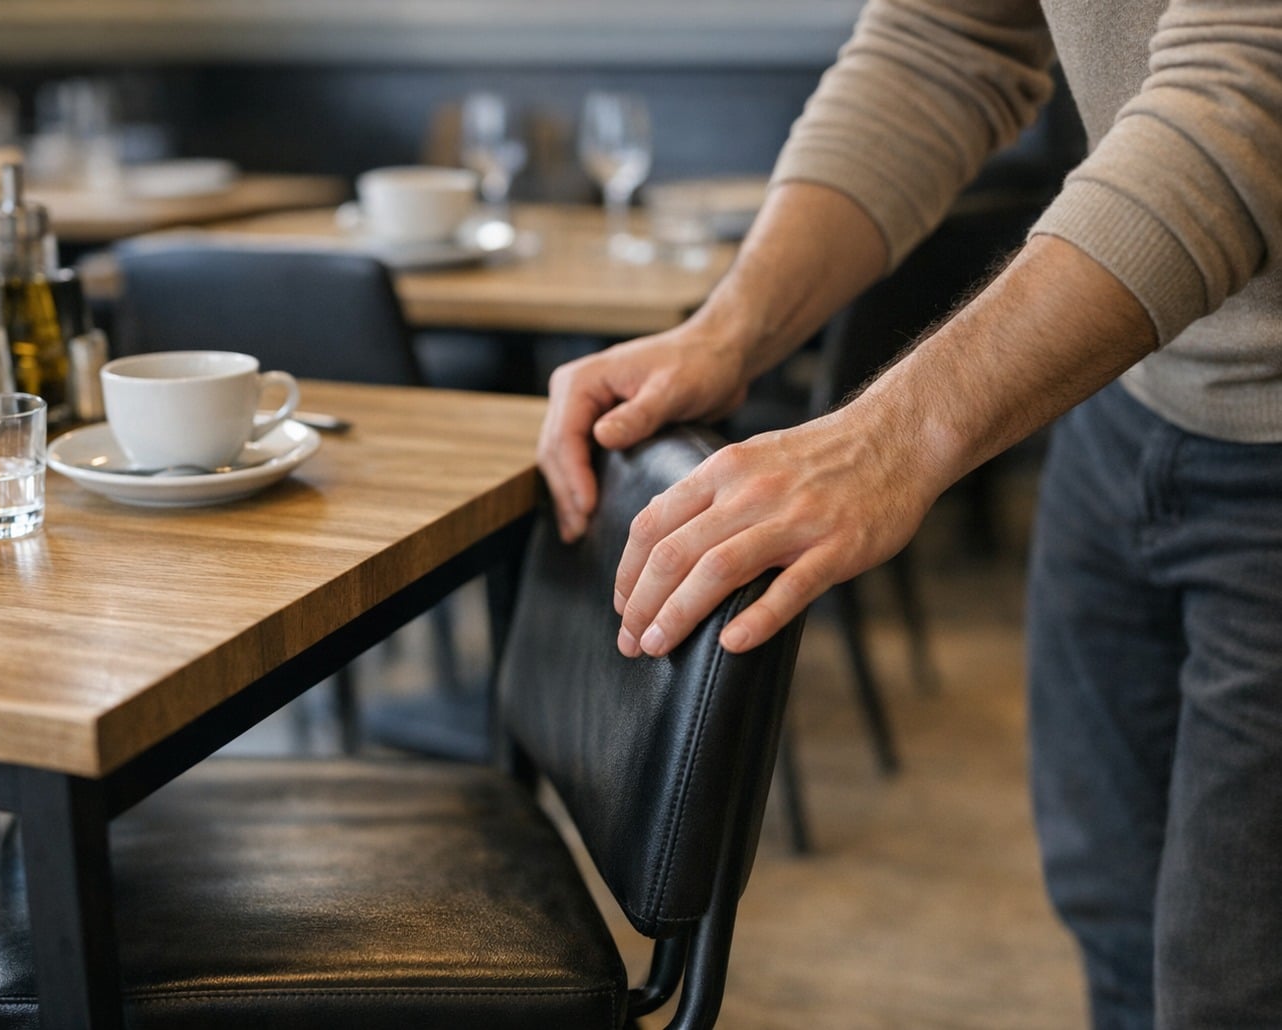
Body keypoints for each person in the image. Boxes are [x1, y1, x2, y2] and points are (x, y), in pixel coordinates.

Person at [537, 1, 1282, 1026]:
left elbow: (1253, 82)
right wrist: (730, 329)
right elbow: (944, 39)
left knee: (1229, 985)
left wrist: (895, 435)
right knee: (1117, 920)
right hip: (1130, 395)